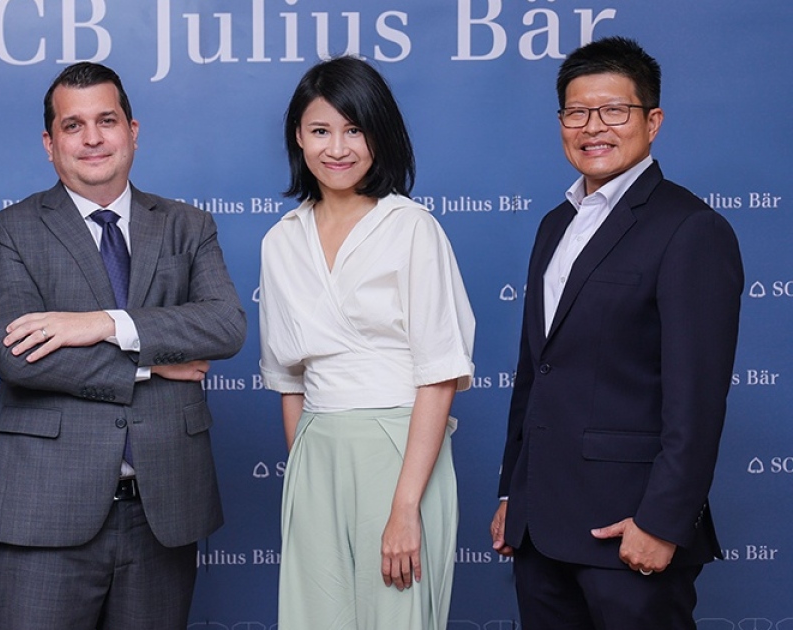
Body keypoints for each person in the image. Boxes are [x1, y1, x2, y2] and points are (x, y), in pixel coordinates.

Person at [0, 62, 246, 630]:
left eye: (107, 120)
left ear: (133, 130)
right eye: (73, 126)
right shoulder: (10, 230)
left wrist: (104, 323)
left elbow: (225, 325)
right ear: (49, 143)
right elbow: (18, 356)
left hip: (162, 512)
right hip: (45, 513)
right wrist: (153, 366)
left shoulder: (188, 225)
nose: (93, 138)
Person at [489, 36, 743, 629]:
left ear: (652, 122)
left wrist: (663, 522)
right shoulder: (556, 224)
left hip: (628, 529)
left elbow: (697, 400)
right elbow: (536, 373)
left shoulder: (690, 228)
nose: (592, 127)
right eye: (577, 112)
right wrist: (512, 494)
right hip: (539, 529)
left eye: (614, 110)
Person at [259, 56, 475, 630]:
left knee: (397, 615)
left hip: (400, 451)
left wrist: (405, 507)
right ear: (298, 137)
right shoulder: (281, 241)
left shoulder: (412, 227)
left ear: (379, 134)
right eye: (320, 130)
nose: (337, 148)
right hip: (315, 454)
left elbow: (439, 374)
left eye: (354, 129)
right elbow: (288, 378)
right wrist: (303, 475)